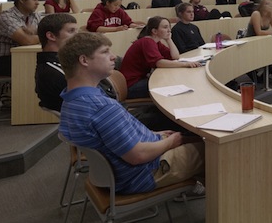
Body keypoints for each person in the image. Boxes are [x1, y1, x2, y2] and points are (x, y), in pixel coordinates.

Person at [58, 32, 205, 195]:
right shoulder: (101, 107)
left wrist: (154, 134)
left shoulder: (70, 99)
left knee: (195, 137)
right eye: (105, 52)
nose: (113, 57)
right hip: (142, 173)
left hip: (127, 167)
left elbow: (116, 137)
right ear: (84, 60)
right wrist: (170, 142)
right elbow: (138, 156)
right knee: (217, 150)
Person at [119, 16, 201, 99]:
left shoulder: (156, 42)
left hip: (140, 80)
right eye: (165, 27)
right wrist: (185, 64)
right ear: (154, 31)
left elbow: (175, 57)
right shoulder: (147, 41)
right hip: (132, 85)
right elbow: (159, 63)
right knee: (170, 84)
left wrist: (169, 39)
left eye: (169, 27)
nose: (169, 30)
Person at [0, 0, 42, 76]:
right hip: (0, 61)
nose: (37, 3)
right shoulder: (6, 17)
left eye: (38, 0)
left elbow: (48, 32)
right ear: (22, 0)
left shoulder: (35, 16)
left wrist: (39, 34)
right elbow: (27, 41)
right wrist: (43, 36)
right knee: (44, 67)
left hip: (23, 55)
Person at [35, 13, 79, 112]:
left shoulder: (66, 62)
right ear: (51, 36)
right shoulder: (52, 71)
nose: (78, 35)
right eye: (71, 31)